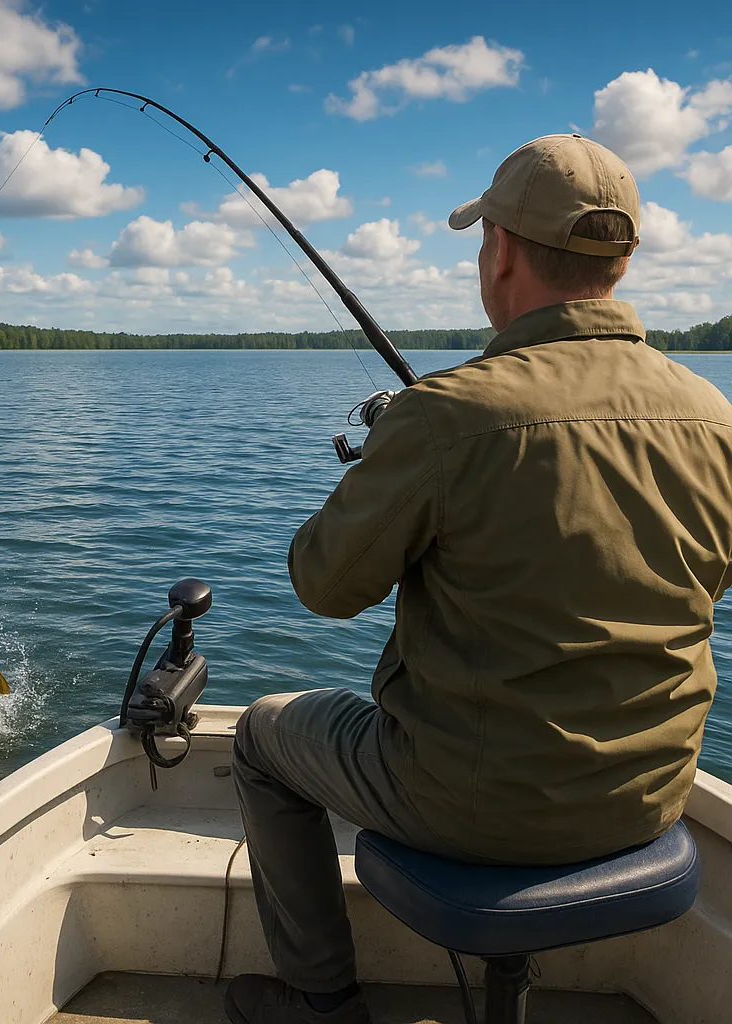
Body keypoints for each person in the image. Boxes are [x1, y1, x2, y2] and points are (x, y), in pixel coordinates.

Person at [224, 134, 732, 1024]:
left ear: (498, 250)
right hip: (650, 798)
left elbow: (321, 584)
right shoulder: (714, 416)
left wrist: (388, 460)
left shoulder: (446, 416)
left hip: (466, 807)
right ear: (621, 259)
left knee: (264, 737)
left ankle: (321, 1004)